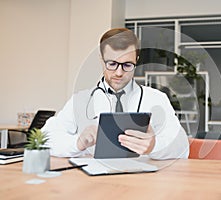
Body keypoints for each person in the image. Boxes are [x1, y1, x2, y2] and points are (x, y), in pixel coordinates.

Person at [42, 28, 189, 159]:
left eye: (127, 65)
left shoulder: (156, 99)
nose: (119, 73)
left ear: (136, 60)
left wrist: (155, 146)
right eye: (112, 64)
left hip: (143, 182)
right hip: (93, 182)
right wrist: (77, 143)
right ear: (101, 60)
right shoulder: (81, 100)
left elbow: (182, 148)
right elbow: (45, 140)